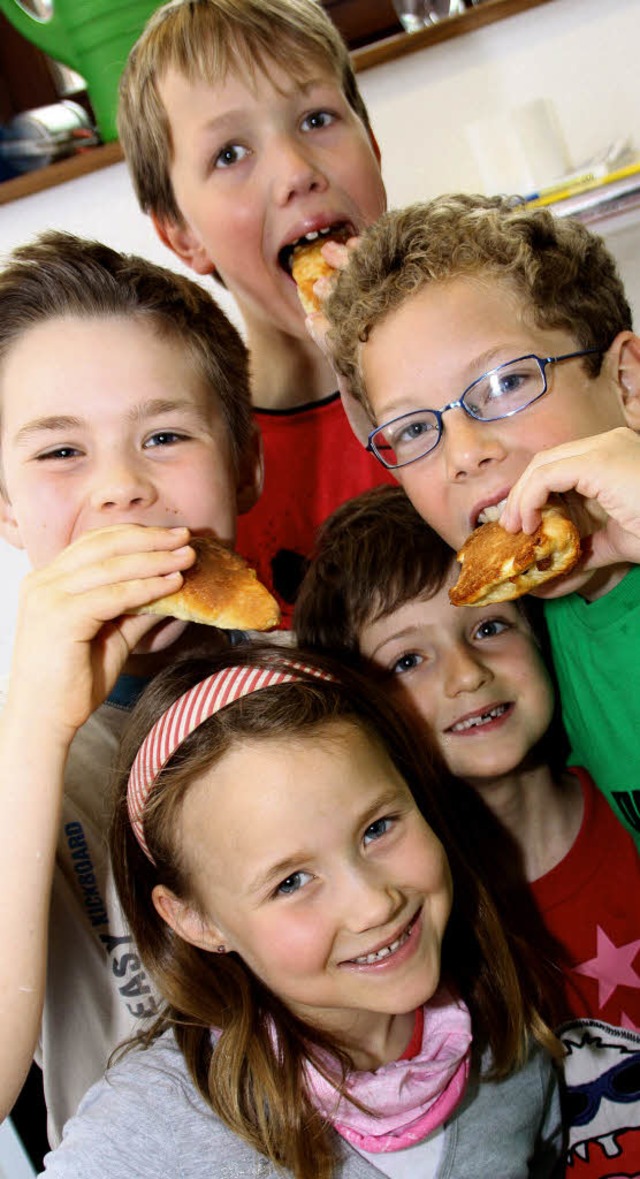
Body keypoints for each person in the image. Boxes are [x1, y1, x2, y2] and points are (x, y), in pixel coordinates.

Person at [40, 644, 563, 1178]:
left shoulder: (508, 1036)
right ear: (196, 920)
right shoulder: (152, 1128)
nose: (373, 904)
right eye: (290, 882)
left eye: (378, 828)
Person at [0, 230, 263, 1144]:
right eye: (59, 451)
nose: (120, 487)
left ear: (245, 464)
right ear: (2, 503)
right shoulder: (12, 754)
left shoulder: (340, 680)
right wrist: (35, 725)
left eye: (164, 435)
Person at [294, 484, 640, 1171]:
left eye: (488, 626)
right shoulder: (400, 928)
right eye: (408, 660)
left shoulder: (628, 804)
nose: (466, 676)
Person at [318, 194, 640, 848]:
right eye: (414, 428)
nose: (464, 453)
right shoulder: (528, 639)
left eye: (505, 383)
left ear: (628, 384)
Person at [116, 0, 394, 627]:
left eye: (317, 117)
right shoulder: (193, 474)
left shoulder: (497, 375)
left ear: (373, 146)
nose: (296, 171)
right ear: (181, 234)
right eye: (230, 154)